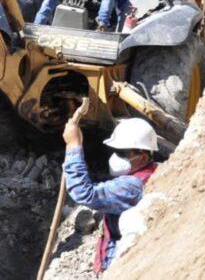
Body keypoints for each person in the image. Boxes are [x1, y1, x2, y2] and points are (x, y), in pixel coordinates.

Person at [62, 116, 158, 272]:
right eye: (116, 151)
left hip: (119, 262)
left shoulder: (131, 187)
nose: (116, 156)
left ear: (143, 157)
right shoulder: (152, 170)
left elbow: (84, 193)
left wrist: (73, 146)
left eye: (122, 153)